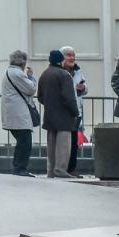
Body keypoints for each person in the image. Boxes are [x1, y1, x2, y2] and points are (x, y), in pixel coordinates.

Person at [36, 49, 79, 178]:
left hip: (50, 115)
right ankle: (60, 170)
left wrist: (50, 105)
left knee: (51, 146)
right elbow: (69, 97)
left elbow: (40, 97)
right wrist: (75, 112)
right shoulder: (64, 75)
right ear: (61, 61)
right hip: (64, 117)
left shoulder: (44, 74)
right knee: (63, 146)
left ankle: (50, 171)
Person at [0, 50, 37, 177]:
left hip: (12, 112)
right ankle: (20, 168)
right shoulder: (17, 73)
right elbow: (31, 89)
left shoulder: (9, 72)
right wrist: (31, 77)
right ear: (23, 62)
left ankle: (19, 167)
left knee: (22, 141)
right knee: (25, 141)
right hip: (19, 113)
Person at [60, 46, 87, 177]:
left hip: (77, 111)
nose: (72, 58)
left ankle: (72, 169)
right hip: (64, 112)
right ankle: (62, 168)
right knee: (64, 142)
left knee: (74, 142)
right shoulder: (59, 71)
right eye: (68, 55)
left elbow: (85, 89)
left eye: (73, 55)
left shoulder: (77, 71)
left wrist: (82, 88)